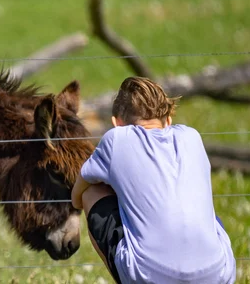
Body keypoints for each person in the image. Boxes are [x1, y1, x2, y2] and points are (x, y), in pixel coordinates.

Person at [71, 76, 236, 284]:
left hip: (149, 276)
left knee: (92, 192)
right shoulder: (192, 137)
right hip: (219, 274)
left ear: (117, 124)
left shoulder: (117, 139)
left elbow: (78, 195)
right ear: (168, 120)